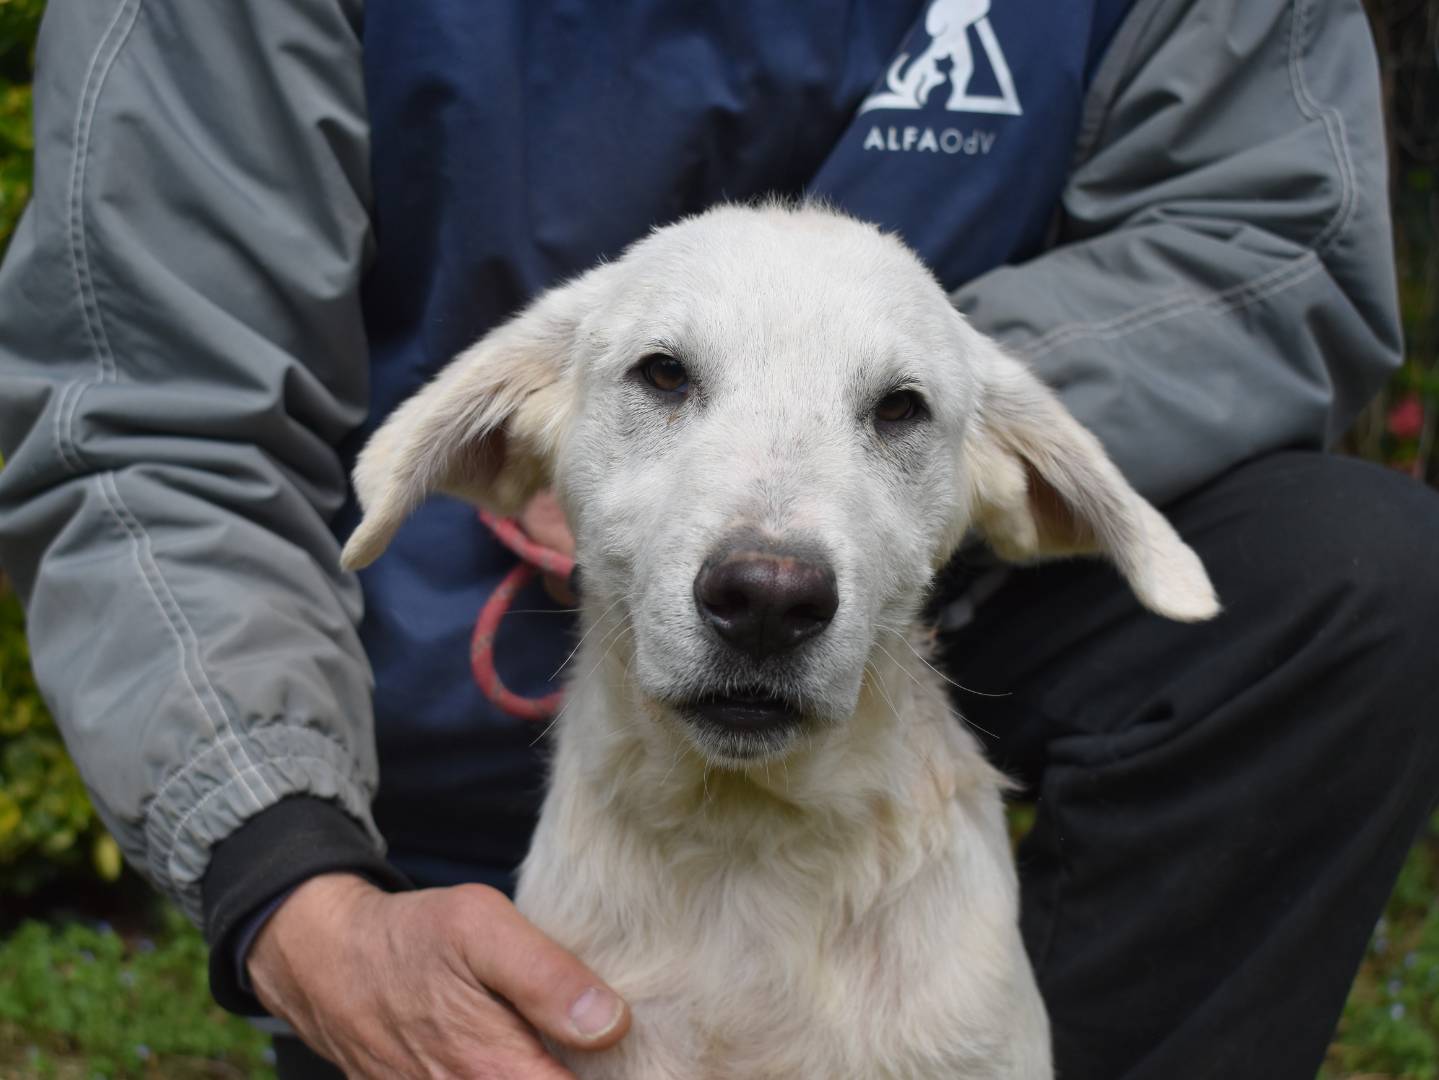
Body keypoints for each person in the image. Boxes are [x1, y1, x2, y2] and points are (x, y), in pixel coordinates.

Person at [1, 1, 1435, 1077]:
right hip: (431, 766)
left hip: (931, 636)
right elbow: (151, 420)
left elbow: (1267, 231)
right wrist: (301, 894)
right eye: (660, 384)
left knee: (1348, 581)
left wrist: (893, 419)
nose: (757, 550)